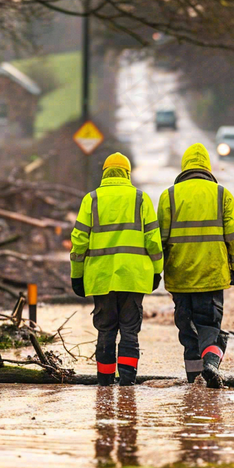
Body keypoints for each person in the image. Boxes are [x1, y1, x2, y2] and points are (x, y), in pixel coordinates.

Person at [70, 152, 163, 386]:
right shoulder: (141, 199)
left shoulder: (91, 199)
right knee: (130, 331)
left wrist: (77, 275)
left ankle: (104, 384)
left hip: (101, 278)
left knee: (106, 330)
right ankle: (127, 385)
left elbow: (79, 241)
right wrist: (156, 271)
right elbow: (153, 241)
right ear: (127, 174)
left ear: (105, 173)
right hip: (134, 277)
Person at [157, 143, 234, 388]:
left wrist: (155, 272)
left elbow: (159, 241)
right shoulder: (222, 194)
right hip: (212, 276)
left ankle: (193, 386)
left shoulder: (169, 196)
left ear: (184, 166)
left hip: (180, 277)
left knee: (188, 333)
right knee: (210, 327)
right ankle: (211, 364)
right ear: (208, 166)